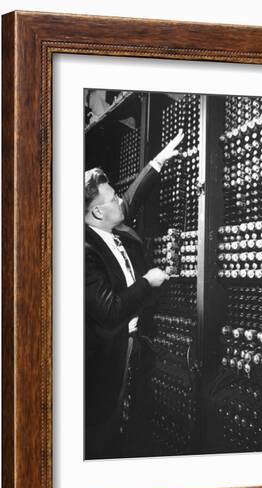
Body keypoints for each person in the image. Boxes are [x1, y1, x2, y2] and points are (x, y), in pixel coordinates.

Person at [84, 130, 184, 459]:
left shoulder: (109, 226)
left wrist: (157, 162)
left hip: (138, 341)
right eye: (110, 199)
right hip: (110, 353)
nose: (118, 202)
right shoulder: (84, 250)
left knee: (132, 417)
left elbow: (129, 201)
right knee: (105, 425)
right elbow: (111, 310)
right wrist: (148, 281)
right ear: (98, 213)